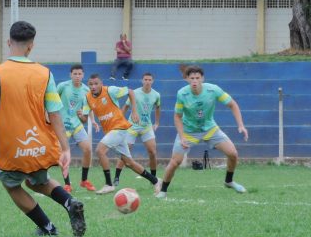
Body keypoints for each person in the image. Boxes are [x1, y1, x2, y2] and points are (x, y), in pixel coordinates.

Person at [0, 21, 86, 237]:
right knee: (38, 182)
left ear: (8, 42)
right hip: (39, 144)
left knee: (11, 185)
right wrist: (65, 148)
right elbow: (55, 114)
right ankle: (69, 202)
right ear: (31, 46)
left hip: (13, 147)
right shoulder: (45, 74)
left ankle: (48, 228)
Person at [155, 65, 248, 199]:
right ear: (187, 79)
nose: (194, 81)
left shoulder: (213, 90)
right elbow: (177, 117)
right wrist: (182, 137)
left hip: (210, 129)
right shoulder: (182, 93)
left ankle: (229, 181)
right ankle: (163, 191)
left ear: (202, 79)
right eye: (191, 78)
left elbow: (232, 104)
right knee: (175, 161)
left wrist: (241, 125)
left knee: (233, 153)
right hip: (188, 131)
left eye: (197, 78)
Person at [79, 74, 161, 195]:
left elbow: (131, 92)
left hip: (120, 127)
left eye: (96, 83)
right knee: (129, 163)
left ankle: (109, 184)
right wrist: (80, 116)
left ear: (101, 83)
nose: (93, 86)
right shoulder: (87, 98)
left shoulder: (110, 90)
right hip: (111, 131)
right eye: (90, 84)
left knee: (100, 150)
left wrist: (134, 111)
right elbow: (84, 119)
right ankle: (156, 181)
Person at [57, 64, 100, 193]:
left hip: (77, 125)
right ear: (70, 75)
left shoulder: (86, 91)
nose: (77, 76)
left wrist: (92, 120)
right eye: (75, 74)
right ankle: (67, 184)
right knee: (62, 153)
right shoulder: (62, 86)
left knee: (87, 149)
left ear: (83, 75)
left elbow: (88, 108)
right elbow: (52, 101)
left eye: (79, 74)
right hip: (63, 126)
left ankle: (84, 180)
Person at [114, 73, 161, 186]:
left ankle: (153, 178)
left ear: (153, 81)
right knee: (125, 152)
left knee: (152, 152)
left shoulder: (156, 95)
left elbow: (158, 107)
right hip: (132, 127)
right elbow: (125, 107)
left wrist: (157, 123)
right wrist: (118, 121)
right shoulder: (134, 93)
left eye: (150, 79)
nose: (147, 81)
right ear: (142, 80)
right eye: (145, 79)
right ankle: (116, 177)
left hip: (146, 127)